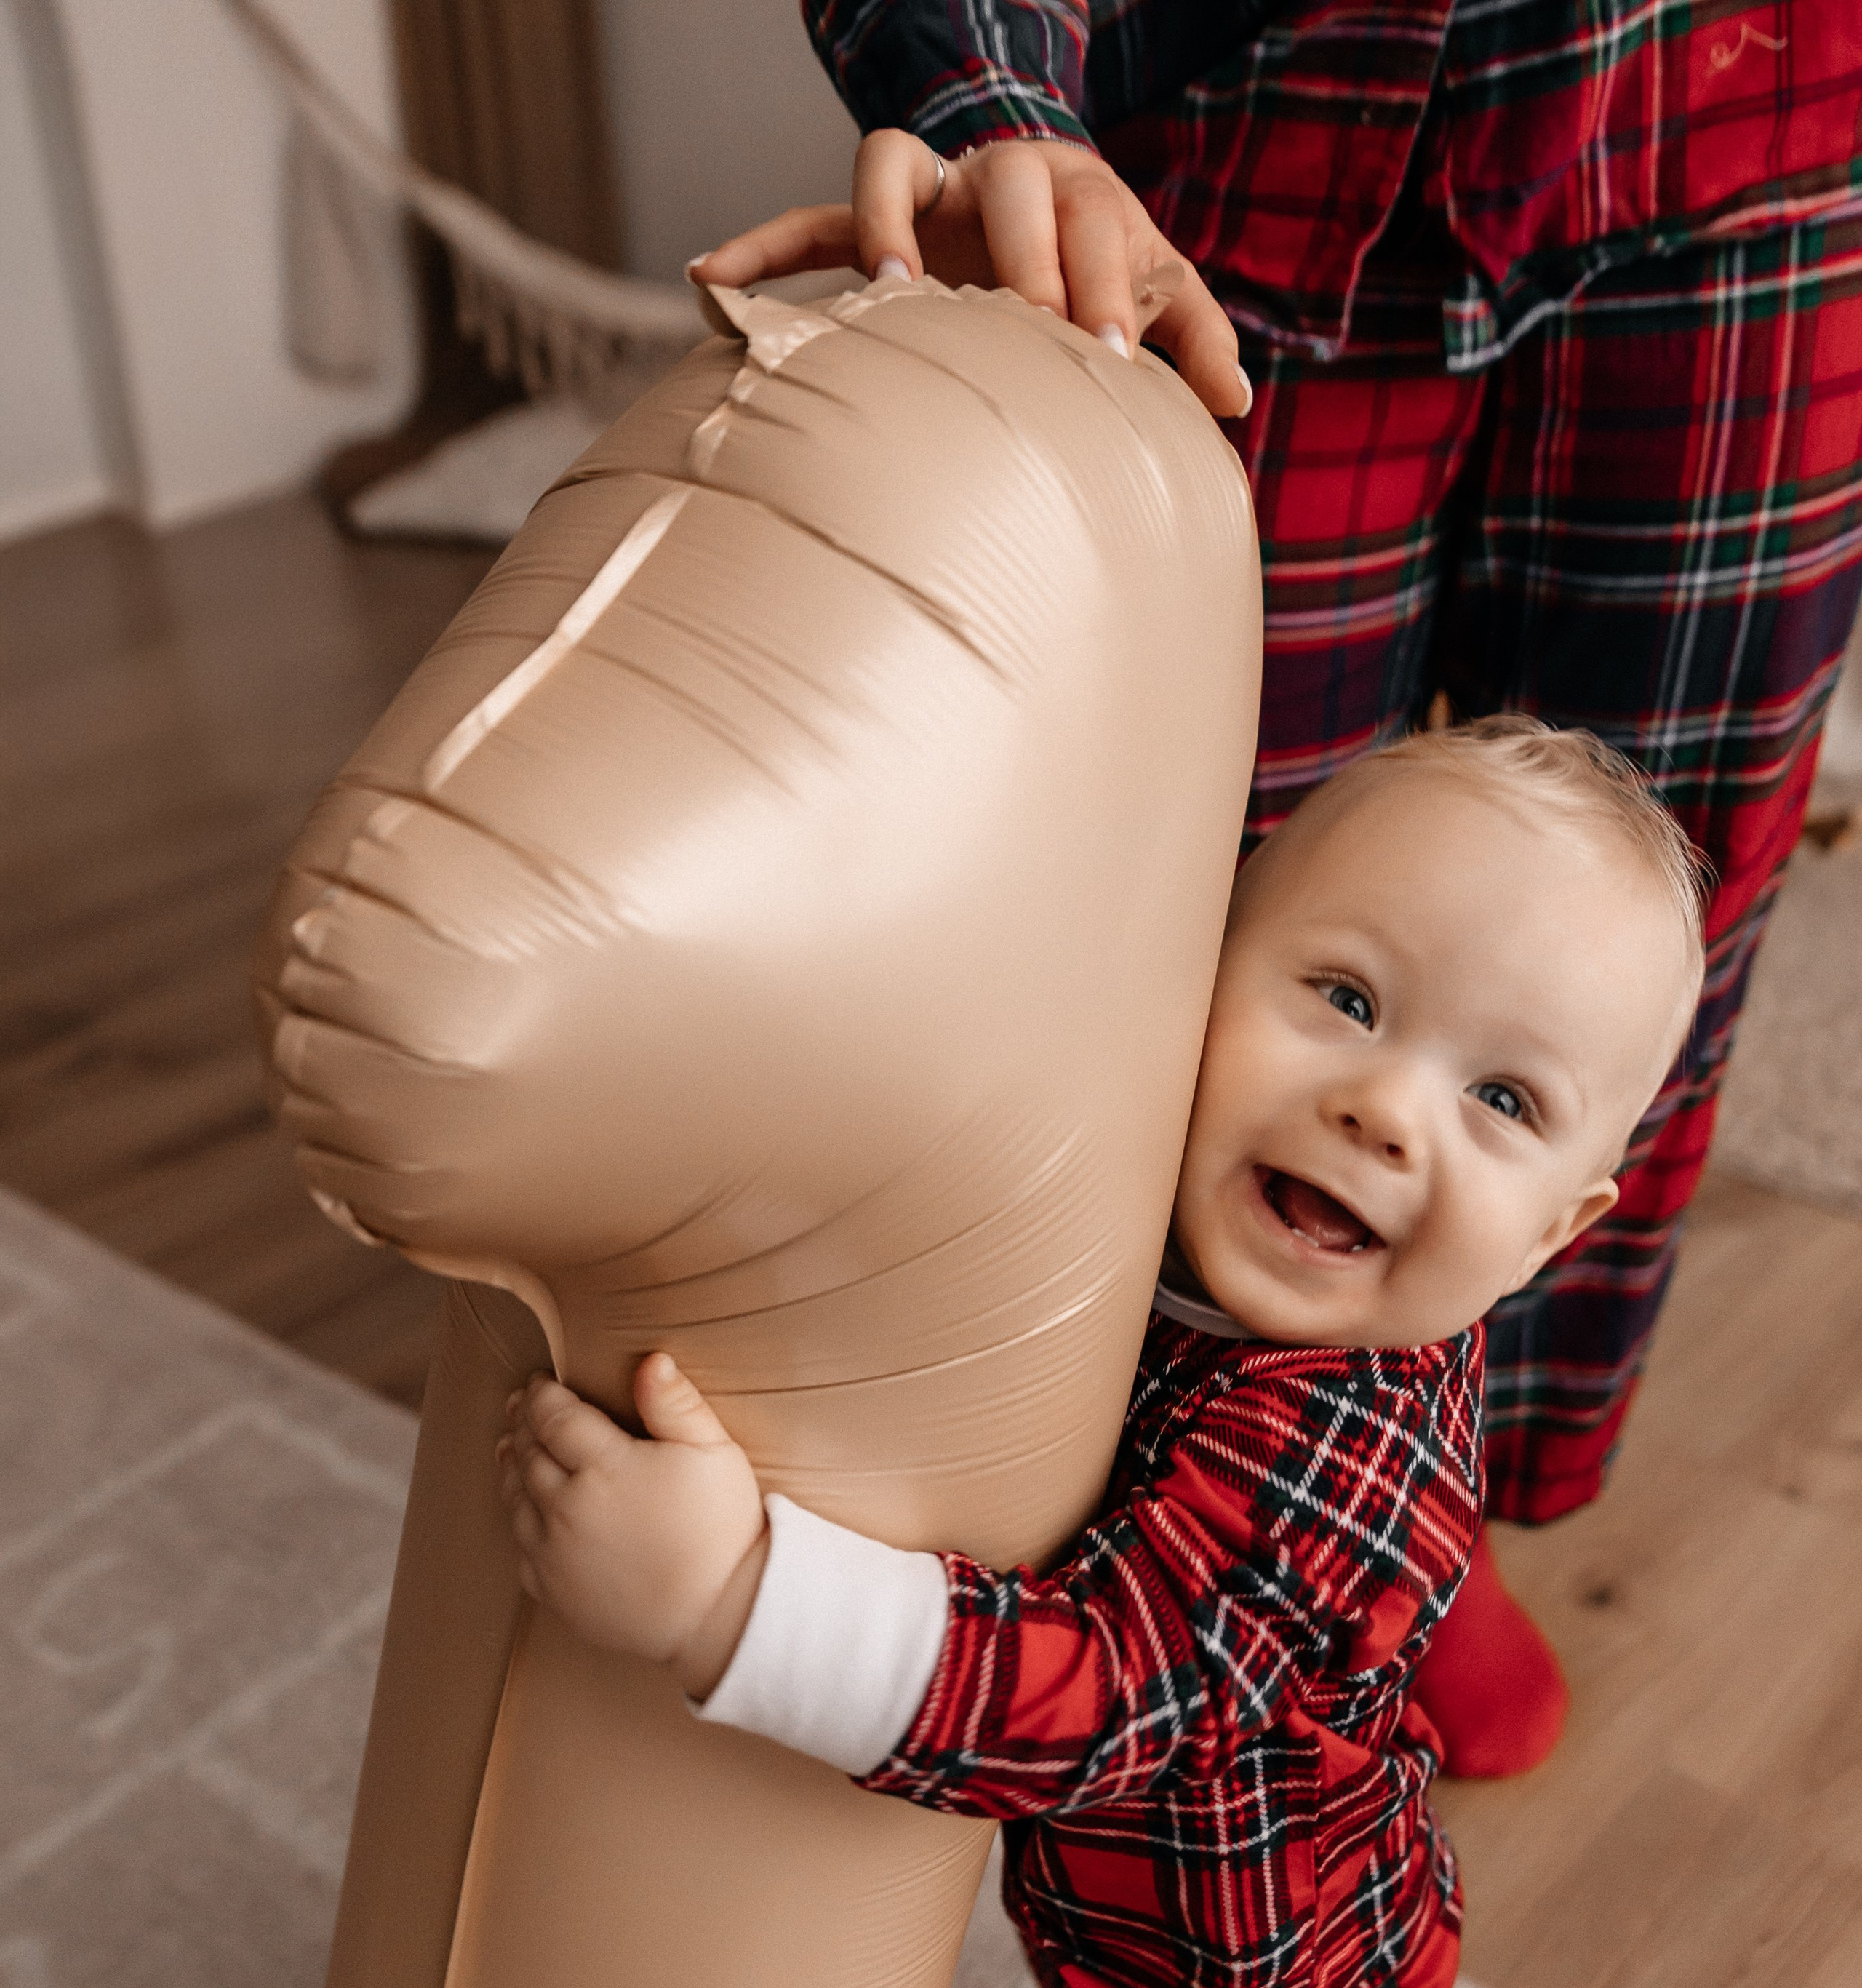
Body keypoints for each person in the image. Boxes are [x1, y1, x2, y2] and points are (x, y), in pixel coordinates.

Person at [496, 719, 1705, 1988]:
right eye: (1343, 998)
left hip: (1262, 1970)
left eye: (1499, 1101)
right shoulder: (1180, 1225)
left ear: (1547, 1236)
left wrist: (728, 1600)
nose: (1381, 1109)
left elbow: (1094, 1704)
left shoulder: (1335, 1458)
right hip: (1132, 1902)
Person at [690, 0, 1862, 1779]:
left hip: (1747, 134)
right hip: (1274, 128)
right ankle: (1110, 1435)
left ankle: (1404, 1503)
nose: (1384, 1110)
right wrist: (995, 105)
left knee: (1626, 943)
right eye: (1359, 1023)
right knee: (1203, 848)